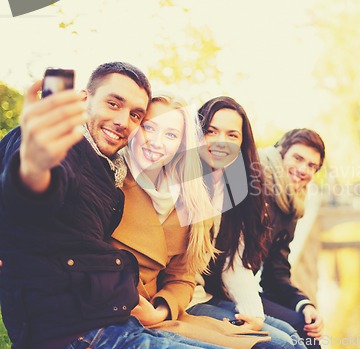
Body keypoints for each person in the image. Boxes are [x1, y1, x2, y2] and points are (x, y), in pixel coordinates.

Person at [0, 62, 223, 349]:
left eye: (134, 115)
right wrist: (34, 164)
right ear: (84, 100)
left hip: (120, 317)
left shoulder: (109, 175)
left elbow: (184, 275)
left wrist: (159, 310)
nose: (122, 121)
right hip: (78, 328)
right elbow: (38, 191)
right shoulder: (65, 148)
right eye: (113, 103)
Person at [111, 92, 270, 349]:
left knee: (277, 342)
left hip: (166, 308)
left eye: (171, 135)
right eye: (149, 127)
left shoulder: (190, 196)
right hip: (119, 315)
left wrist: (162, 310)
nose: (156, 141)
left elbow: (187, 273)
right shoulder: (111, 179)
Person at [186, 96, 306, 349]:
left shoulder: (234, 189)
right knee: (282, 344)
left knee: (294, 337)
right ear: (196, 134)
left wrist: (253, 314)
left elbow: (235, 262)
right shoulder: (183, 182)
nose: (222, 142)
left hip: (207, 297)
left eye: (232, 135)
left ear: (242, 143)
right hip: (185, 303)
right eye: (211, 131)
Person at [258, 129, 326, 349]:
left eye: (311, 166)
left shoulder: (291, 204)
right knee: (289, 339)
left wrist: (303, 304)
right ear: (280, 153)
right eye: (298, 158)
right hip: (215, 291)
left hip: (242, 290)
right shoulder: (254, 185)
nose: (303, 170)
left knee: (306, 326)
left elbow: (275, 271)